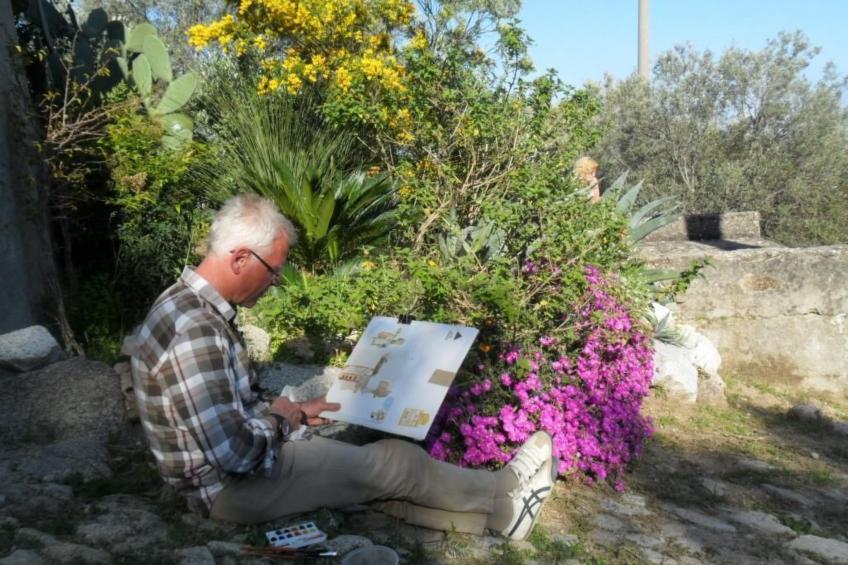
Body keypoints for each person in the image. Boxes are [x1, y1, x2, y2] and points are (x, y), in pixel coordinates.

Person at [129, 194, 557, 540]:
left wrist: (298, 411)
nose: (275, 282)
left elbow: (228, 410)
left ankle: (500, 518)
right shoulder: (197, 329)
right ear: (240, 258)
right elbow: (235, 453)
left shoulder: (186, 306)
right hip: (229, 489)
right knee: (392, 464)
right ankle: (502, 490)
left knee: (370, 488)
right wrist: (282, 420)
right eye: (274, 271)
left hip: (224, 479)